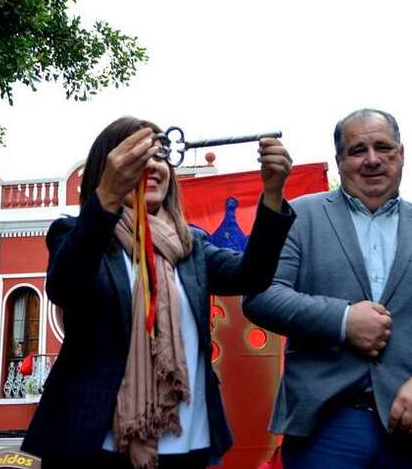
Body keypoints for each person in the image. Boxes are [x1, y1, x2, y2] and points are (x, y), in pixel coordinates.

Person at [21, 117, 295, 468]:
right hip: (96, 444)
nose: (153, 165)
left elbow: (252, 276)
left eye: (162, 155)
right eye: (140, 156)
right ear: (110, 168)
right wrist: (105, 199)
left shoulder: (190, 244)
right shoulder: (78, 235)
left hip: (187, 442)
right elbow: (65, 286)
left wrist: (272, 195)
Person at [242, 108, 412, 469]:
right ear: (339, 160)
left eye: (383, 147)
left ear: (401, 154)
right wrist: (342, 320)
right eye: (358, 150)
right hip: (323, 425)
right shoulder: (300, 217)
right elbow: (261, 295)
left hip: (408, 422)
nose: (372, 160)